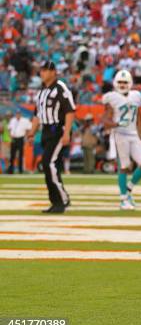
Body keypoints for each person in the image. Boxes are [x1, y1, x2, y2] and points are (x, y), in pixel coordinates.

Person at [26, 61, 75, 213]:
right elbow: (37, 115)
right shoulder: (41, 92)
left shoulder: (61, 87)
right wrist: (32, 133)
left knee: (49, 164)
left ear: (54, 72)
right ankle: (60, 199)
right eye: (41, 70)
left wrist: (67, 132)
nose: (42, 73)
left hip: (58, 130)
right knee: (48, 165)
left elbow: (69, 111)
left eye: (46, 70)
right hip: (46, 131)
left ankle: (60, 201)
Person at [101, 70, 141, 210]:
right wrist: (115, 124)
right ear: (115, 83)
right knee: (124, 166)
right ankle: (123, 199)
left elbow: (140, 118)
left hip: (133, 133)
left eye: (125, 82)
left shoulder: (136, 96)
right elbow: (104, 119)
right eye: (120, 82)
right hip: (120, 134)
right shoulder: (111, 98)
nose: (122, 85)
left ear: (130, 83)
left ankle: (128, 190)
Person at [8, 110, 31, 174]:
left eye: (19, 114)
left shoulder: (25, 120)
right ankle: (11, 170)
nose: (18, 115)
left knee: (21, 155)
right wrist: (10, 136)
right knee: (12, 155)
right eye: (17, 114)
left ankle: (20, 170)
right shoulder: (13, 120)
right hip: (14, 139)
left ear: (21, 114)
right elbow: (9, 129)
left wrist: (26, 137)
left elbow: (28, 129)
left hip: (21, 138)